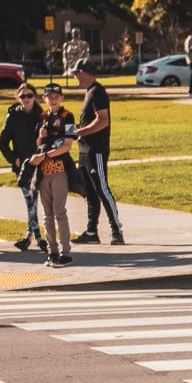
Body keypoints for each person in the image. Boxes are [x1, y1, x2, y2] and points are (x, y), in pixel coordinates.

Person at [70, 59, 124, 245]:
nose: (76, 77)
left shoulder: (98, 92)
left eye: (77, 73)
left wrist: (80, 131)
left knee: (102, 188)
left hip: (96, 151)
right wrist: (73, 130)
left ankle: (116, 230)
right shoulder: (89, 92)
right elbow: (89, 122)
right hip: (84, 150)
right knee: (90, 192)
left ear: (84, 72)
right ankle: (92, 232)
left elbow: (103, 120)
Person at [30, 83, 78, 267]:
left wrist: (45, 155)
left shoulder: (69, 116)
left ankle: (66, 252)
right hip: (43, 172)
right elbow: (37, 143)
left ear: (62, 97)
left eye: (56, 95)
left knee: (60, 212)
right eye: (49, 96)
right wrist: (40, 137)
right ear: (44, 99)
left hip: (59, 170)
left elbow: (67, 146)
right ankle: (52, 251)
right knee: (46, 215)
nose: (53, 99)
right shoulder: (42, 117)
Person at [0, 83, 45, 253]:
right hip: (23, 167)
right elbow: (2, 142)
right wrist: (13, 159)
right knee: (30, 201)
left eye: (29, 95)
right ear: (18, 98)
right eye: (23, 96)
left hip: (40, 164)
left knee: (35, 201)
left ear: (35, 97)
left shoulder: (42, 116)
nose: (26, 99)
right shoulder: (13, 116)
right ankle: (38, 237)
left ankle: (29, 236)